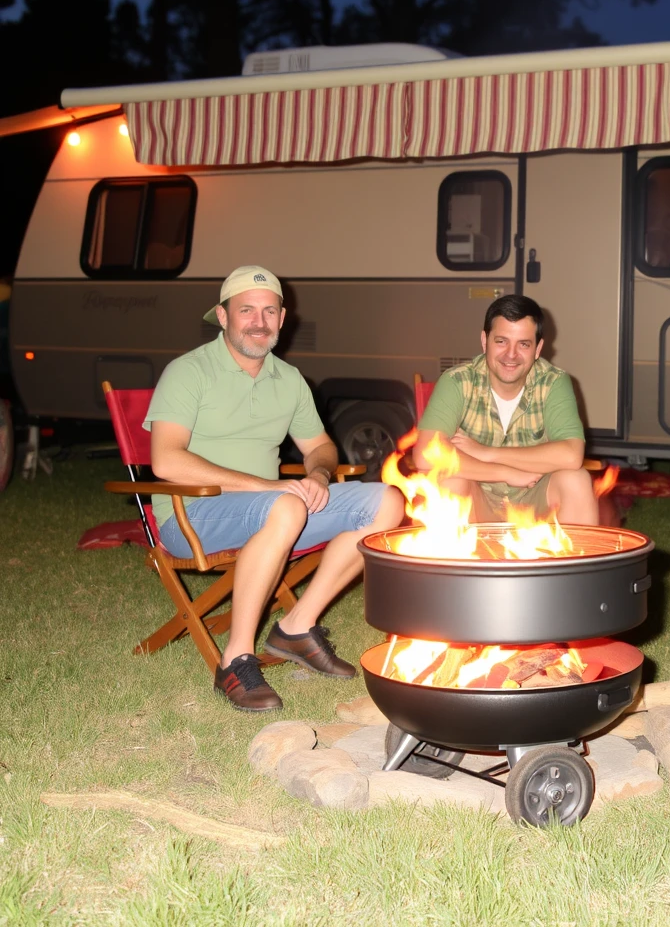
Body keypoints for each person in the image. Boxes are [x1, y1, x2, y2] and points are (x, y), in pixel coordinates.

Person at [145, 265, 404, 712]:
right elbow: (166, 459)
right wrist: (269, 487)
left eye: (269, 311)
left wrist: (319, 476)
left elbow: (321, 446)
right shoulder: (188, 372)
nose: (258, 321)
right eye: (246, 310)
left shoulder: (289, 379)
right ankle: (235, 658)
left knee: (388, 501)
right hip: (193, 514)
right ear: (223, 318)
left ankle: (297, 627)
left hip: (275, 511)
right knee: (285, 506)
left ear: (282, 321)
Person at [414, 294, 598, 524]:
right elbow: (426, 454)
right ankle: (446, 560)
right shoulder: (458, 381)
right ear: (484, 341)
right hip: (475, 497)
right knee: (447, 482)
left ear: (538, 348)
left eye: (523, 344)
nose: (511, 355)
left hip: (535, 500)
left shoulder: (553, 383)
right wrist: (504, 472)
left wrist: (488, 453)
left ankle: (576, 560)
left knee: (576, 480)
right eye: (501, 341)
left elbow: (571, 455)